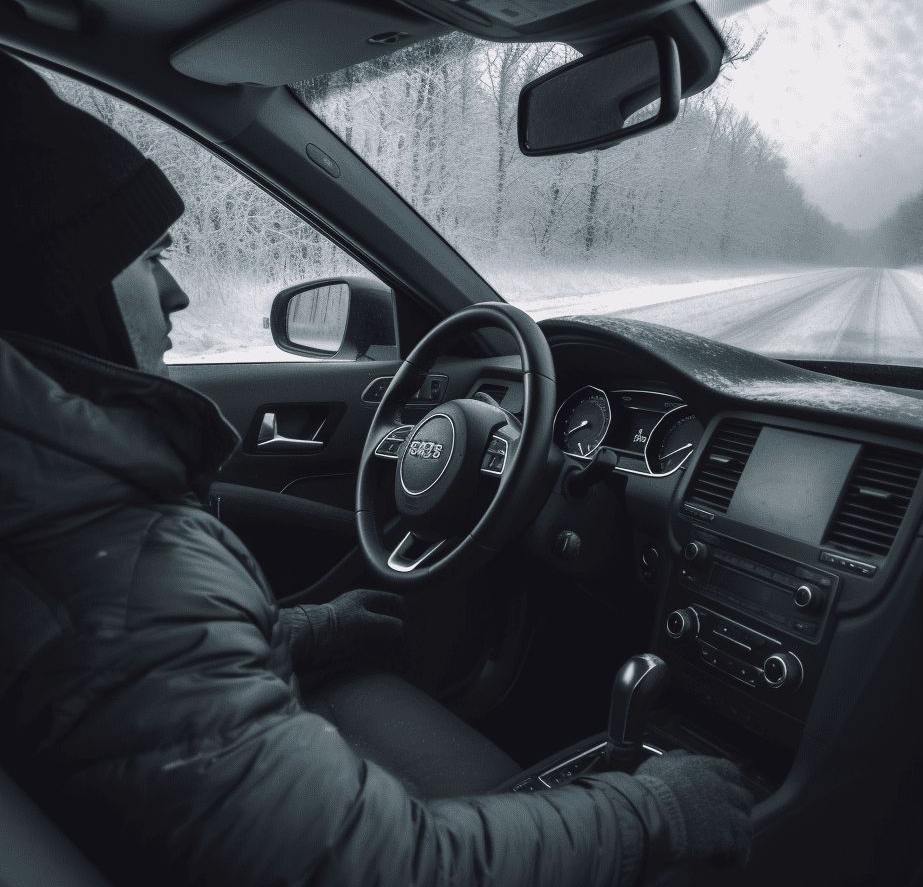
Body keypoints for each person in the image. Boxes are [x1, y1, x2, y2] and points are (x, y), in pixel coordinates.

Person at [0, 50, 753, 887]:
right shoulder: (119, 571)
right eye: (147, 259)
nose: (176, 293)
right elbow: (382, 867)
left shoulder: (61, 526)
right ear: (65, 298)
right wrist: (652, 812)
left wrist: (309, 632)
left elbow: (144, 691)